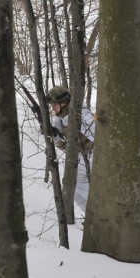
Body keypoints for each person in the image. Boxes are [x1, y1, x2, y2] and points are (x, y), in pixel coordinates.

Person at [47, 85, 94, 213]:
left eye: (54, 105)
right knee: (72, 188)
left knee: (77, 182)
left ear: (64, 103)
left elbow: (97, 140)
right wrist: (54, 135)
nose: (53, 108)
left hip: (91, 156)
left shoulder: (83, 115)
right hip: (79, 157)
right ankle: (91, 215)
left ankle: (101, 210)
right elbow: (63, 145)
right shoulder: (59, 119)